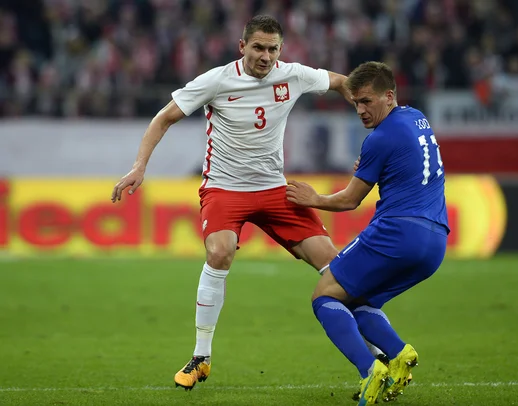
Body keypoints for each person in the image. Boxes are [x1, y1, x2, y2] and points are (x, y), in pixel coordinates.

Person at [110, 15, 380, 391]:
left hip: (274, 190)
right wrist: (139, 167)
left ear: (280, 50)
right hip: (224, 189)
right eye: (258, 48)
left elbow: (339, 82)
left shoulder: (293, 74)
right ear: (242, 47)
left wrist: (371, 114)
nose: (266, 56)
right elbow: (163, 118)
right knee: (220, 252)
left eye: (272, 49)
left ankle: (378, 357)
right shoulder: (217, 80)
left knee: (335, 267)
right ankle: (201, 356)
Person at [286, 61, 450, 405]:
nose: (361, 110)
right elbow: (404, 162)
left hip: (398, 232)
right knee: (361, 300)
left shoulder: (379, 138)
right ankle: (399, 353)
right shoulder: (417, 117)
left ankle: (369, 370)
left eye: (367, 101)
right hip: (436, 241)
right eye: (356, 102)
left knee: (325, 296)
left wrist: (313, 199)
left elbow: (349, 201)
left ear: (389, 96)